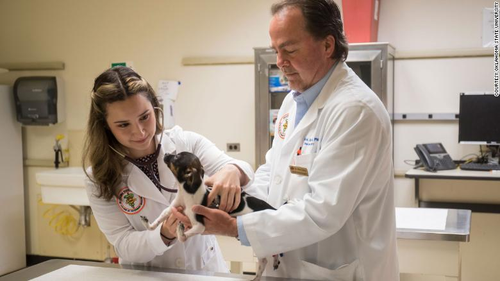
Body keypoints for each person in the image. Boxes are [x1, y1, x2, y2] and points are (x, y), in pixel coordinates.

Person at [179, 0, 400, 280]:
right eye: (276, 51)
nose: (280, 62)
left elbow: (323, 211)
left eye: (290, 50)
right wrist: (229, 202)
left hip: (340, 270)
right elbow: (274, 175)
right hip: (287, 266)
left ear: (327, 45)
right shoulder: (292, 103)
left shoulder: (355, 110)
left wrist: (236, 228)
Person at [82, 66, 253, 272]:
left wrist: (232, 170)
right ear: (105, 127)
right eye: (124, 125)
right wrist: (163, 233)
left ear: (155, 107)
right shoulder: (98, 177)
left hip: (204, 271)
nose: (140, 131)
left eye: (144, 117)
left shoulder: (185, 143)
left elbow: (242, 168)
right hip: (150, 274)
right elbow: (123, 244)